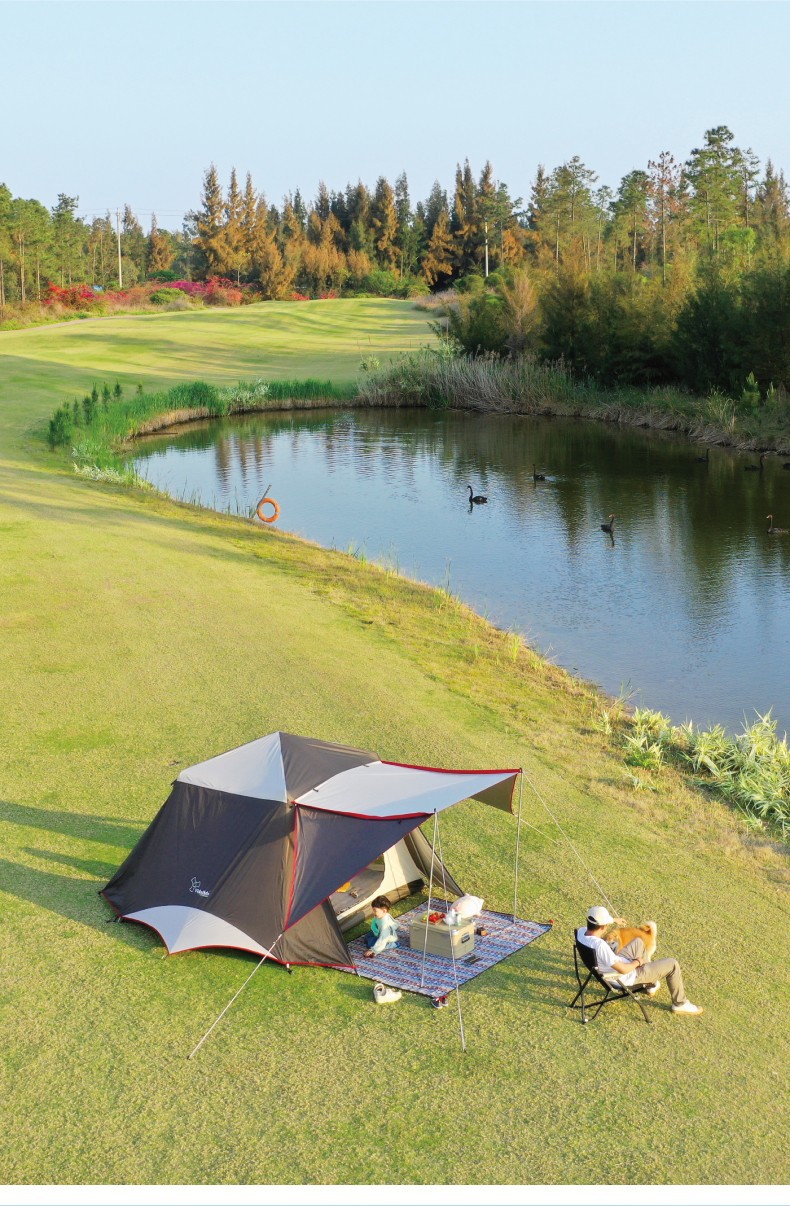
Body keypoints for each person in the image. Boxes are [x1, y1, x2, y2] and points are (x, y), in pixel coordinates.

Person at [577, 905, 703, 1015]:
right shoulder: (600, 946)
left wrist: (614, 920)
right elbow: (623, 969)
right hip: (624, 977)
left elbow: (598, 924)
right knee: (673, 964)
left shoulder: (581, 933)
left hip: (613, 965)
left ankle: (650, 983)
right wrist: (637, 962)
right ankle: (680, 1003)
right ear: (603, 926)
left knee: (638, 942)